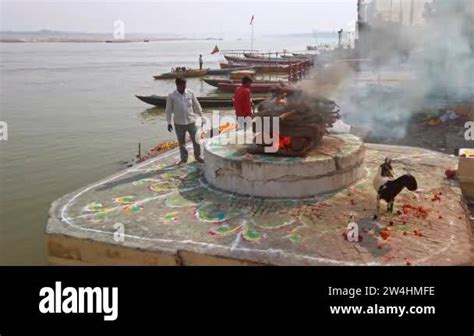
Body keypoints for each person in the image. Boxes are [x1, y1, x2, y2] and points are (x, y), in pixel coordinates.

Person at [165, 77, 204, 164]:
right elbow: (168, 110)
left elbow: (196, 105)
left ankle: (198, 156)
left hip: (191, 121)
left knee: (196, 140)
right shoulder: (171, 96)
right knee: (182, 143)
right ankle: (184, 158)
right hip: (179, 123)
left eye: (185, 84)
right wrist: (168, 122)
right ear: (177, 85)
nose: (184, 86)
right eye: (182, 85)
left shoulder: (190, 93)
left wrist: (201, 116)